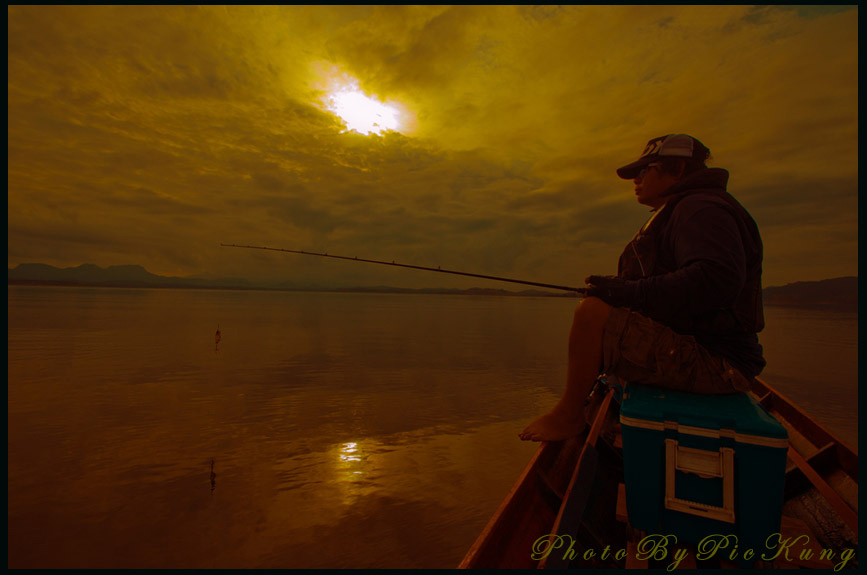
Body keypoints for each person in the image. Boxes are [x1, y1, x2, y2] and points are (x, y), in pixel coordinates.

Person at [519, 134, 765, 442]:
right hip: (706, 350)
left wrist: (627, 293)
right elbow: (669, 288)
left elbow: (716, 279)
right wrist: (617, 289)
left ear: (676, 169)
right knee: (602, 305)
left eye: (645, 170)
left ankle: (569, 416)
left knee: (591, 315)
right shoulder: (687, 209)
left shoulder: (701, 209)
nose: (636, 179)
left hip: (718, 363)